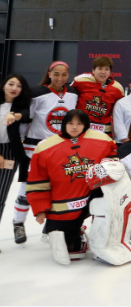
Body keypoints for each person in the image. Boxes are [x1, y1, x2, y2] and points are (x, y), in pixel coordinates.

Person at [26, 110, 117, 265]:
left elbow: (113, 165)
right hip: (62, 206)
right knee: (72, 249)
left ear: (85, 125)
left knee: (104, 206)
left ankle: (101, 235)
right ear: (64, 124)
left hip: (91, 197)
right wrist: (40, 208)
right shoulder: (45, 147)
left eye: (79, 123)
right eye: (70, 123)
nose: (74, 127)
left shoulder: (102, 140)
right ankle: (62, 230)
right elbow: (38, 180)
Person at [13, 63, 77, 243]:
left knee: (57, 190)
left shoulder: (73, 93)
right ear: (49, 74)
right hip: (34, 149)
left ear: (68, 75)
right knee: (27, 189)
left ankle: (50, 226)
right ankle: (18, 223)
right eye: (56, 74)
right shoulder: (37, 93)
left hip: (59, 150)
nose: (60, 78)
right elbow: (26, 119)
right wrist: (19, 142)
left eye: (64, 74)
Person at [0, 74, 31, 250]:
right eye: (11, 84)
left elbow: (26, 115)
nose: (14, 88)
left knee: (0, 196)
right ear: (3, 85)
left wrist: (16, 115)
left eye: (18, 86)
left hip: (11, 152)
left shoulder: (22, 106)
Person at [72, 56, 125, 136]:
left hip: (104, 132)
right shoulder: (80, 80)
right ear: (93, 70)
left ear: (110, 71)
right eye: (100, 68)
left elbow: (119, 112)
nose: (103, 72)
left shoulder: (118, 89)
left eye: (106, 69)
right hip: (81, 129)